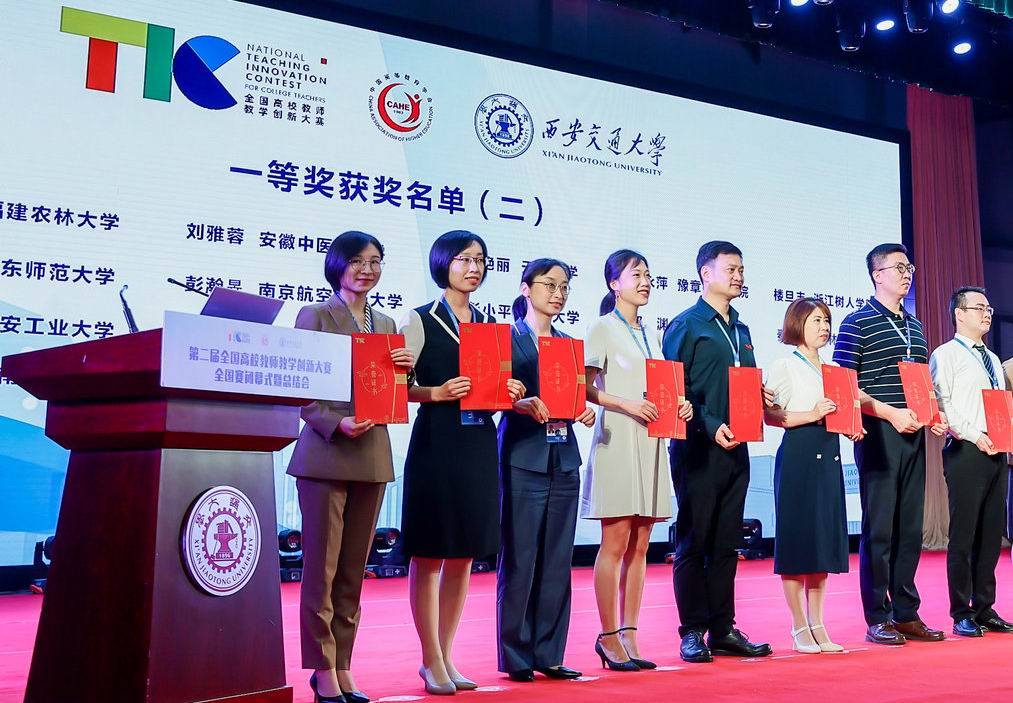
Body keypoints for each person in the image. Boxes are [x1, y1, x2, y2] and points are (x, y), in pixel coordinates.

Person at [287, 231, 414, 703]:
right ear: (337, 265)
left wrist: (406, 369)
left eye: (375, 261)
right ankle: (322, 667)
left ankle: (343, 662)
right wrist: (333, 421)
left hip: (372, 453)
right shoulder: (316, 315)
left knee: (353, 571)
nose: (367, 269)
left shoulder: (386, 322)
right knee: (321, 570)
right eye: (358, 261)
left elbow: (391, 388)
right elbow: (297, 381)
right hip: (326, 451)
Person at [399, 231, 525, 695]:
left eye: (480, 260)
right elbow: (397, 387)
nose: (474, 268)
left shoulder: (490, 326)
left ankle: (447, 655)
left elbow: (494, 388)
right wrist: (435, 392)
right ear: (443, 264)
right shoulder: (419, 319)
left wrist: (509, 391)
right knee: (431, 551)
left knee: (464, 554)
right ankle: (430, 658)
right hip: (437, 440)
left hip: (478, 442)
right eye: (464, 260)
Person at [662, 240, 773, 663]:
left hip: (738, 447)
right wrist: (710, 425)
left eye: (741, 269)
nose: (739, 276)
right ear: (705, 274)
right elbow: (676, 390)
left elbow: (741, 385)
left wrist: (759, 396)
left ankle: (723, 629)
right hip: (697, 448)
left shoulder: (741, 329)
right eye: (731, 269)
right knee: (694, 540)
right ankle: (692, 630)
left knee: (727, 542)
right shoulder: (686, 325)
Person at [582, 250, 693, 671]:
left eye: (648, 275)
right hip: (618, 438)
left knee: (642, 543)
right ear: (614, 283)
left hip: (650, 441)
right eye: (636, 275)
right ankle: (608, 635)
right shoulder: (602, 328)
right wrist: (627, 404)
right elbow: (585, 387)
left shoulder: (650, 334)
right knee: (615, 542)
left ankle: (630, 632)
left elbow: (660, 388)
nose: (645, 282)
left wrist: (679, 405)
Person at [832, 242, 948, 646]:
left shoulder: (915, 326)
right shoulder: (856, 322)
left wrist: (933, 415)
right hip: (879, 433)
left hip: (915, 433)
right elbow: (845, 385)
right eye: (899, 268)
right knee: (879, 529)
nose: (907, 274)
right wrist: (890, 413)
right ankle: (877, 616)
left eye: (909, 267)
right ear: (877, 275)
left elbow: (920, 385)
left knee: (910, 528)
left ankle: (906, 612)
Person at [496, 259, 595, 683]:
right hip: (523, 456)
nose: (558, 293)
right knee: (520, 559)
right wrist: (514, 400)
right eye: (549, 285)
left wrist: (583, 410)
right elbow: (488, 394)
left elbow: (572, 398)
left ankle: (549, 652)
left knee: (557, 560)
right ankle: (516, 655)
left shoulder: (569, 345)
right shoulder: (506, 339)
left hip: (564, 458)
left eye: (565, 286)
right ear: (525, 288)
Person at [764, 298, 863, 654]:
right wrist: (812, 413)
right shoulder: (785, 365)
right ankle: (798, 626)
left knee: (821, 544)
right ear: (797, 325)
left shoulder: (834, 370)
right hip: (799, 457)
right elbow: (771, 415)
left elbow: (841, 413)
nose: (824, 327)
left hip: (829, 455)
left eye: (826, 320)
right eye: (816, 321)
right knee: (797, 544)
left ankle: (818, 623)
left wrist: (851, 427)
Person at [929, 286, 1013, 637]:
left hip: (997, 450)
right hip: (966, 449)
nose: (987, 313)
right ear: (959, 314)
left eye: (989, 307)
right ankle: (961, 611)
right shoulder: (945, 354)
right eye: (979, 307)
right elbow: (943, 403)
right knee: (963, 535)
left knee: (991, 534)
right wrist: (974, 434)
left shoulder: (992, 358)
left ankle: (985, 607)